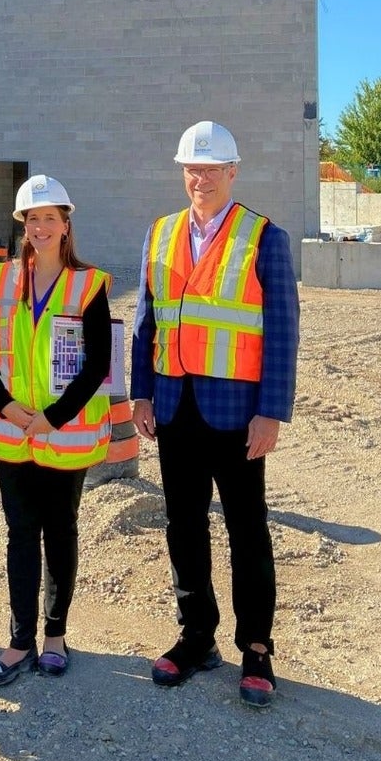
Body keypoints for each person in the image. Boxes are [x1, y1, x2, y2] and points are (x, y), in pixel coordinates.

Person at [131, 120, 299, 708]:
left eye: (211, 168)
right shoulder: (161, 233)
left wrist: (272, 412)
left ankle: (256, 648)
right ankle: (196, 635)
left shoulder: (263, 238)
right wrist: (142, 393)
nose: (199, 178)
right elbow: (145, 321)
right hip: (175, 406)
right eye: (191, 168)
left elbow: (281, 332)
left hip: (236, 413)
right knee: (183, 525)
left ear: (232, 172)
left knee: (247, 529)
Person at [0, 175, 112, 685]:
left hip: (62, 432)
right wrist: (7, 406)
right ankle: (18, 641)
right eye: (32, 219)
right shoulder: (5, 277)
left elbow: (98, 362)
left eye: (49, 218)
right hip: (12, 432)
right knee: (19, 536)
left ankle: (55, 636)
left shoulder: (89, 284)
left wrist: (52, 417)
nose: (40, 227)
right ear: (23, 226)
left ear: (65, 224)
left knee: (60, 533)